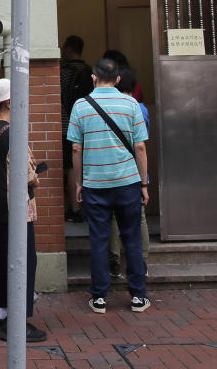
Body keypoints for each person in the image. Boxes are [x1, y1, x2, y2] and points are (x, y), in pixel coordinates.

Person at [68, 59, 151, 314]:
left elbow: (76, 147)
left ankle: (100, 297)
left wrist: (80, 183)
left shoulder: (81, 106)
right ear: (117, 80)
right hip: (128, 183)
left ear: (94, 78)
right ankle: (138, 297)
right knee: (132, 240)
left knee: (100, 240)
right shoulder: (131, 105)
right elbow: (140, 147)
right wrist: (144, 183)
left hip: (95, 184)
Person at [0, 78, 47, 343]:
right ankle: (18, 322)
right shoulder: (13, 134)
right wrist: (37, 176)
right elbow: (26, 175)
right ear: (8, 103)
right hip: (14, 211)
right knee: (22, 263)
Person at [108, 67, 150, 278]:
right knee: (139, 217)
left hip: (115, 170)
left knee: (114, 217)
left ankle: (114, 261)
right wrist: (144, 183)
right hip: (136, 171)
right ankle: (141, 261)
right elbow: (141, 144)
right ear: (135, 87)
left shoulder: (111, 106)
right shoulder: (140, 108)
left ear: (116, 83)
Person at [60, 35, 93, 222]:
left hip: (68, 125)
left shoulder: (64, 72)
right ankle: (87, 207)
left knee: (72, 166)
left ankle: (74, 208)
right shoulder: (90, 71)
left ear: (69, 48)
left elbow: (60, 99)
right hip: (89, 124)